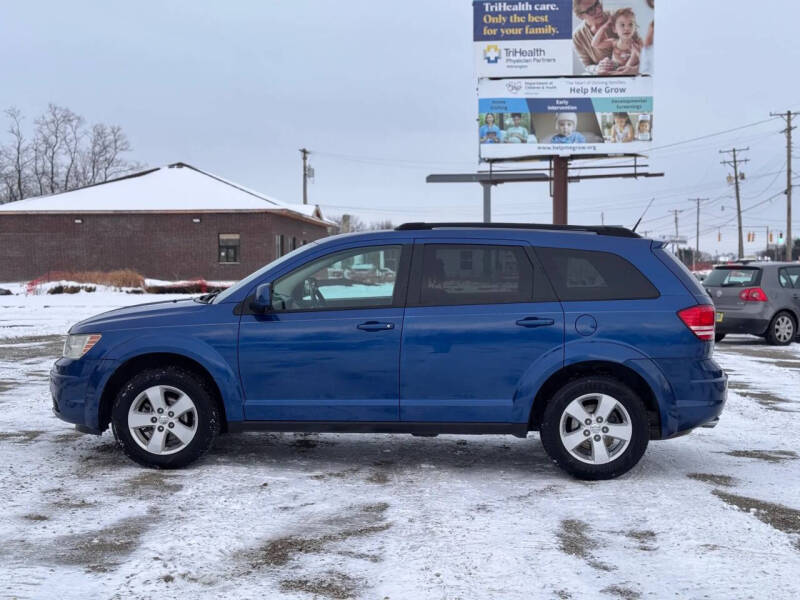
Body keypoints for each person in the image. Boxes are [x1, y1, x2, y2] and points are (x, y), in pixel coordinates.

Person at [590, 8, 642, 74]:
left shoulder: (637, 43)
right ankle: (613, 73)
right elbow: (594, 44)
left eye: (630, 24)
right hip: (615, 68)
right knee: (605, 62)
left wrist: (638, 52)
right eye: (622, 25)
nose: (627, 28)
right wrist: (604, 27)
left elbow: (645, 61)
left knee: (635, 51)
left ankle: (615, 73)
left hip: (627, 69)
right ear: (614, 29)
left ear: (635, 28)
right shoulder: (614, 42)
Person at [572, 0, 616, 75]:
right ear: (581, 16)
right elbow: (587, 65)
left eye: (597, 3)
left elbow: (637, 50)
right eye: (590, 10)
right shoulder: (577, 36)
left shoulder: (617, 17)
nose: (599, 10)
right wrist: (598, 68)